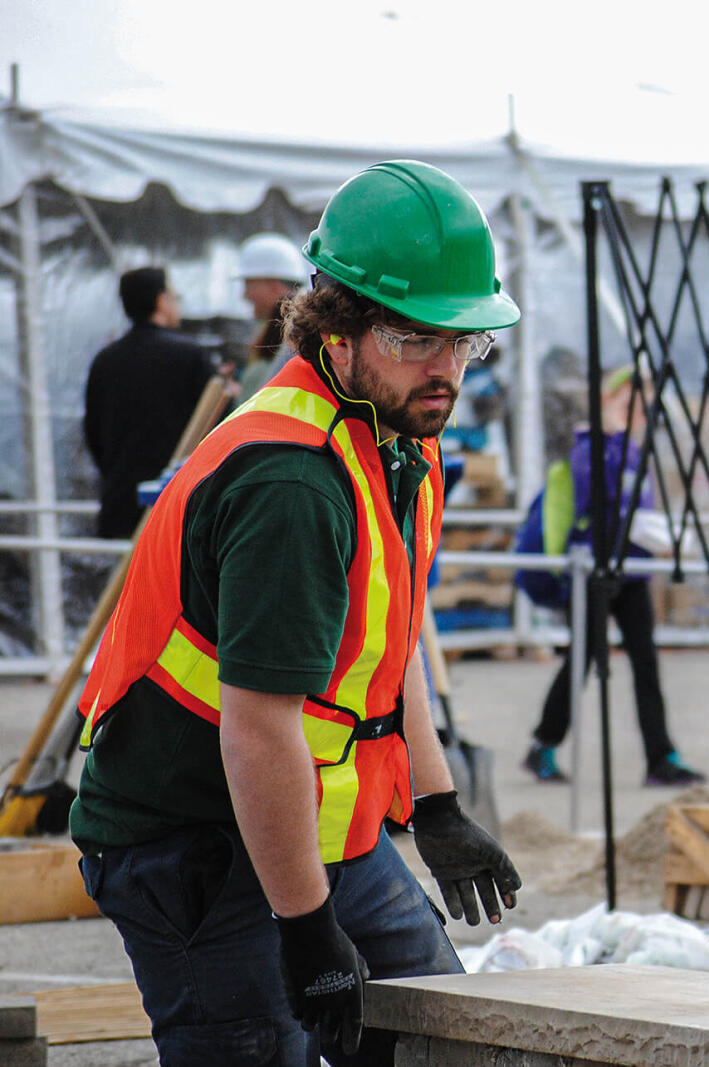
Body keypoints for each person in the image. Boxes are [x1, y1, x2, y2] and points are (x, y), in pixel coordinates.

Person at [69, 160, 523, 1066]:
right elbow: (257, 732)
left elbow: (388, 649)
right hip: (192, 843)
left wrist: (435, 802)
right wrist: (307, 927)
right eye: (415, 338)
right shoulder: (293, 481)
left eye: (464, 343)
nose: (445, 372)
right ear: (336, 328)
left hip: (301, 818)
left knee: (449, 1039)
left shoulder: (396, 435)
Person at [516, 365, 707, 788]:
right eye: (630, 400)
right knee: (581, 660)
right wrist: (614, 437)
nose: (640, 409)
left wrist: (656, 538)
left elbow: (638, 509)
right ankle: (543, 744)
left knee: (646, 662)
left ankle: (661, 757)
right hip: (594, 570)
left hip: (632, 571)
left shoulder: (634, 451)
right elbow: (597, 502)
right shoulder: (593, 446)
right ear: (610, 399)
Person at [82, 266, 216, 539]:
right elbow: (220, 426)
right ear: (160, 301)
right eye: (175, 298)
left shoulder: (105, 360)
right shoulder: (190, 357)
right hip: (180, 509)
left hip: (121, 505)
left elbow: (93, 433)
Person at [234, 232, 308, 401]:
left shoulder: (297, 335)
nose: (245, 295)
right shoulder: (271, 330)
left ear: (273, 284)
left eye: (249, 284)